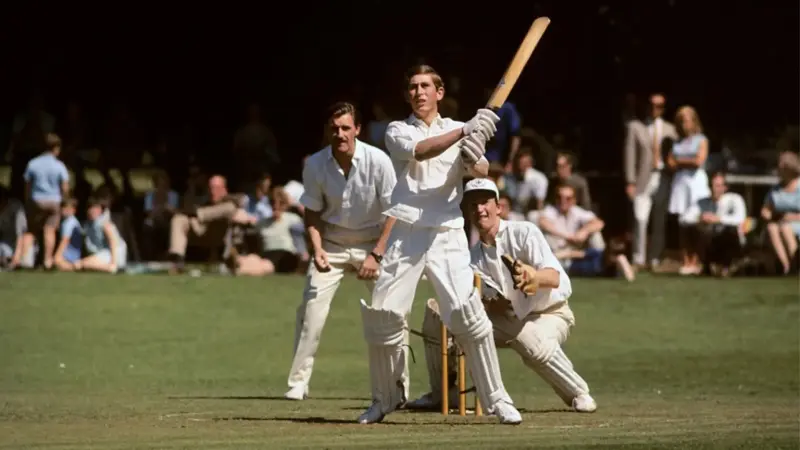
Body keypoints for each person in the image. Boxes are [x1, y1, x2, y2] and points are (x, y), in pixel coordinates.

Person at [358, 64, 521, 425]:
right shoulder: (396, 130)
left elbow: (480, 170)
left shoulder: (456, 130)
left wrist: (473, 149)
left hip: (447, 233)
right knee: (383, 317)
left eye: (426, 86)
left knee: (468, 316)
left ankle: (497, 399)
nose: (418, 92)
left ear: (440, 92)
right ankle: (384, 400)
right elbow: (420, 151)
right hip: (406, 233)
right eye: (413, 87)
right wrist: (466, 130)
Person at [407, 178, 597, 413]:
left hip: (549, 312)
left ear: (499, 207)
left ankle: (578, 392)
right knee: (438, 315)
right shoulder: (471, 256)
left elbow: (555, 277)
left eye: (485, 202)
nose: (479, 209)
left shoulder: (524, 232)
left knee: (532, 342)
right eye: (473, 204)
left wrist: (533, 278)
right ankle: (444, 394)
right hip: (506, 317)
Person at [284, 102, 399, 401]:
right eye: (334, 129)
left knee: (391, 313)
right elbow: (312, 211)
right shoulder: (316, 164)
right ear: (327, 131)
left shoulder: (379, 161)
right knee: (311, 311)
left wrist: (377, 254)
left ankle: (398, 385)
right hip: (332, 245)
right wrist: (317, 249)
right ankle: (298, 382)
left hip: (373, 243)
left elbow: (394, 212)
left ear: (357, 130)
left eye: (346, 128)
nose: (340, 134)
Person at [624, 93, 678, 268]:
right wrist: (630, 181)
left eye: (659, 106)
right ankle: (639, 258)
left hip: (663, 176)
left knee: (659, 220)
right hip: (642, 179)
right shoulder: (636, 127)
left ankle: (655, 258)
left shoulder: (671, 129)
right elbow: (630, 154)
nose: (655, 109)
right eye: (652, 105)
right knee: (640, 218)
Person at [667, 106, 710, 275]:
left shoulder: (701, 139)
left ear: (694, 121)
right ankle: (685, 260)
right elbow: (670, 163)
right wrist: (685, 161)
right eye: (680, 122)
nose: (683, 125)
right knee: (682, 224)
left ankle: (696, 260)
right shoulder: (676, 142)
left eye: (686, 121)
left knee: (696, 223)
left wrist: (680, 161)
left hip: (696, 183)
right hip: (680, 183)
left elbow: (699, 161)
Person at [23, 132, 70, 269]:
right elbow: (65, 187)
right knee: (49, 230)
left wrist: (28, 201)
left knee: (31, 230)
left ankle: (26, 259)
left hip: (37, 199)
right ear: (56, 148)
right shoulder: (59, 165)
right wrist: (64, 201)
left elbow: (28, 185)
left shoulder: (33, 164)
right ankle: (47, 260)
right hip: (53, 201)